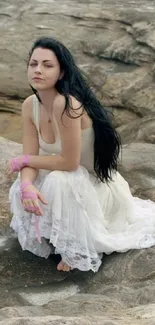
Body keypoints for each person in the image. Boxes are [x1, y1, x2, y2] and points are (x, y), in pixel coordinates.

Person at [5, 37, 155, 273]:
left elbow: (69, 162)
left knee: (58, 178)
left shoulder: (67, 105)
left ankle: (76, 249)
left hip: (95, 190)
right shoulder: (29, 105)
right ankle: (54, 234)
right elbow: (30, 155)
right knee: (25, 182)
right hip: (71, 180)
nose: (38, 70)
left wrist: (23, 161)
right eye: (33, 64)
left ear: (62, 72)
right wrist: (26, 185)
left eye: (47, 65)